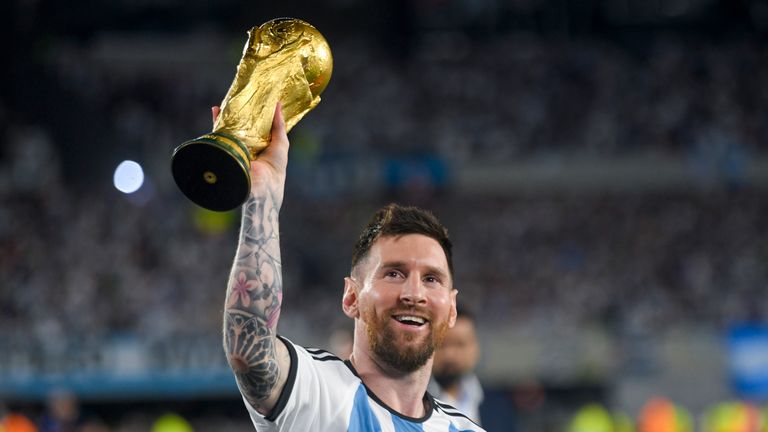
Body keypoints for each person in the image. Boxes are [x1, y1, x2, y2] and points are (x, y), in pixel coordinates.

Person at [218, 103, 485, 431]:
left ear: (452, 309)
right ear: (351, 297)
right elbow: (250, 350)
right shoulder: (316, 392)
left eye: (431, 278)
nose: (414, 293)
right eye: (394, 273)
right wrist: (263, 195)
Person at [428, 305, 484, 425]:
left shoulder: (498, 405)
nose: (449, 355)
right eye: (441, 344)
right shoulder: (410, 405)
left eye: (460, 344)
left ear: (476, 348)